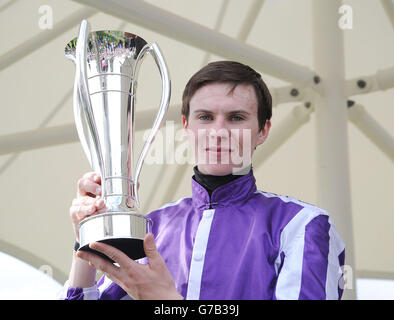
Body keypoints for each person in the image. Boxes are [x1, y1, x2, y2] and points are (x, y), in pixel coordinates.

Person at [60, 61, 345, 300]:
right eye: (205, 117)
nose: (218, 132)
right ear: (187, 126)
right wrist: (84, 239)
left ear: (262, 131)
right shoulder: (151, 227)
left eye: (236, 117)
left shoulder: (304, 225)